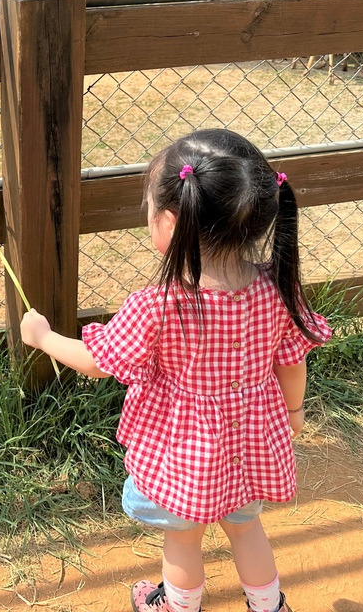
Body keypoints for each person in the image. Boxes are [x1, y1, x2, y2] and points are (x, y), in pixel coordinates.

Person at [20, 129, 332, 612]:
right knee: (247, 529)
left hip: (182, 451)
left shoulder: (158, 305)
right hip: (251, 441)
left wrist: (43, 337)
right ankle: (269, 608)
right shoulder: (275, 288)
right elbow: (291, 360)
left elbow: (99, 362)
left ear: (169, 222)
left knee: (183, 541)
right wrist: (293, 412)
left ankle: (178, 606)